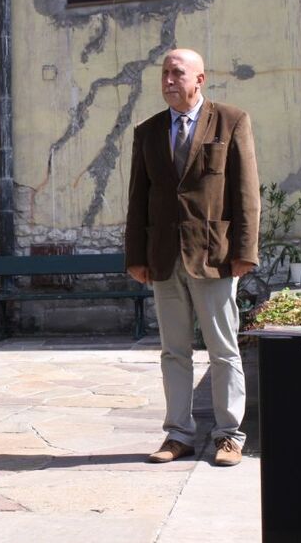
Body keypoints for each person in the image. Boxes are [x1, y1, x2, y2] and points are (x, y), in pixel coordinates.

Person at [124, 48, 260, 467]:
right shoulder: (148, 131)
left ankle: (229, 436)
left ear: (199, 79)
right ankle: (178, 434)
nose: (168, 80)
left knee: (223, 350)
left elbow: (246, 192)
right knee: (174, 351)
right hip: (164, 258)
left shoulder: (231, 121)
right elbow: (138, 198)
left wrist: (245, 252)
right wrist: (136, 256)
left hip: (214, 256)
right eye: (164, 73)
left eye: (177, 73)